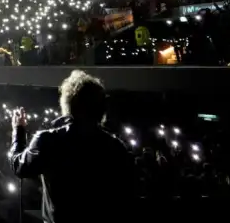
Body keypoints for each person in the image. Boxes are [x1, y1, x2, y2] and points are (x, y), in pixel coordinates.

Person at [9, 70, 135, 223]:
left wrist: (18, 131)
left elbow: (19, 166)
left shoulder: (48, 140)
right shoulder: (117, 148)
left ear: (68, 103)